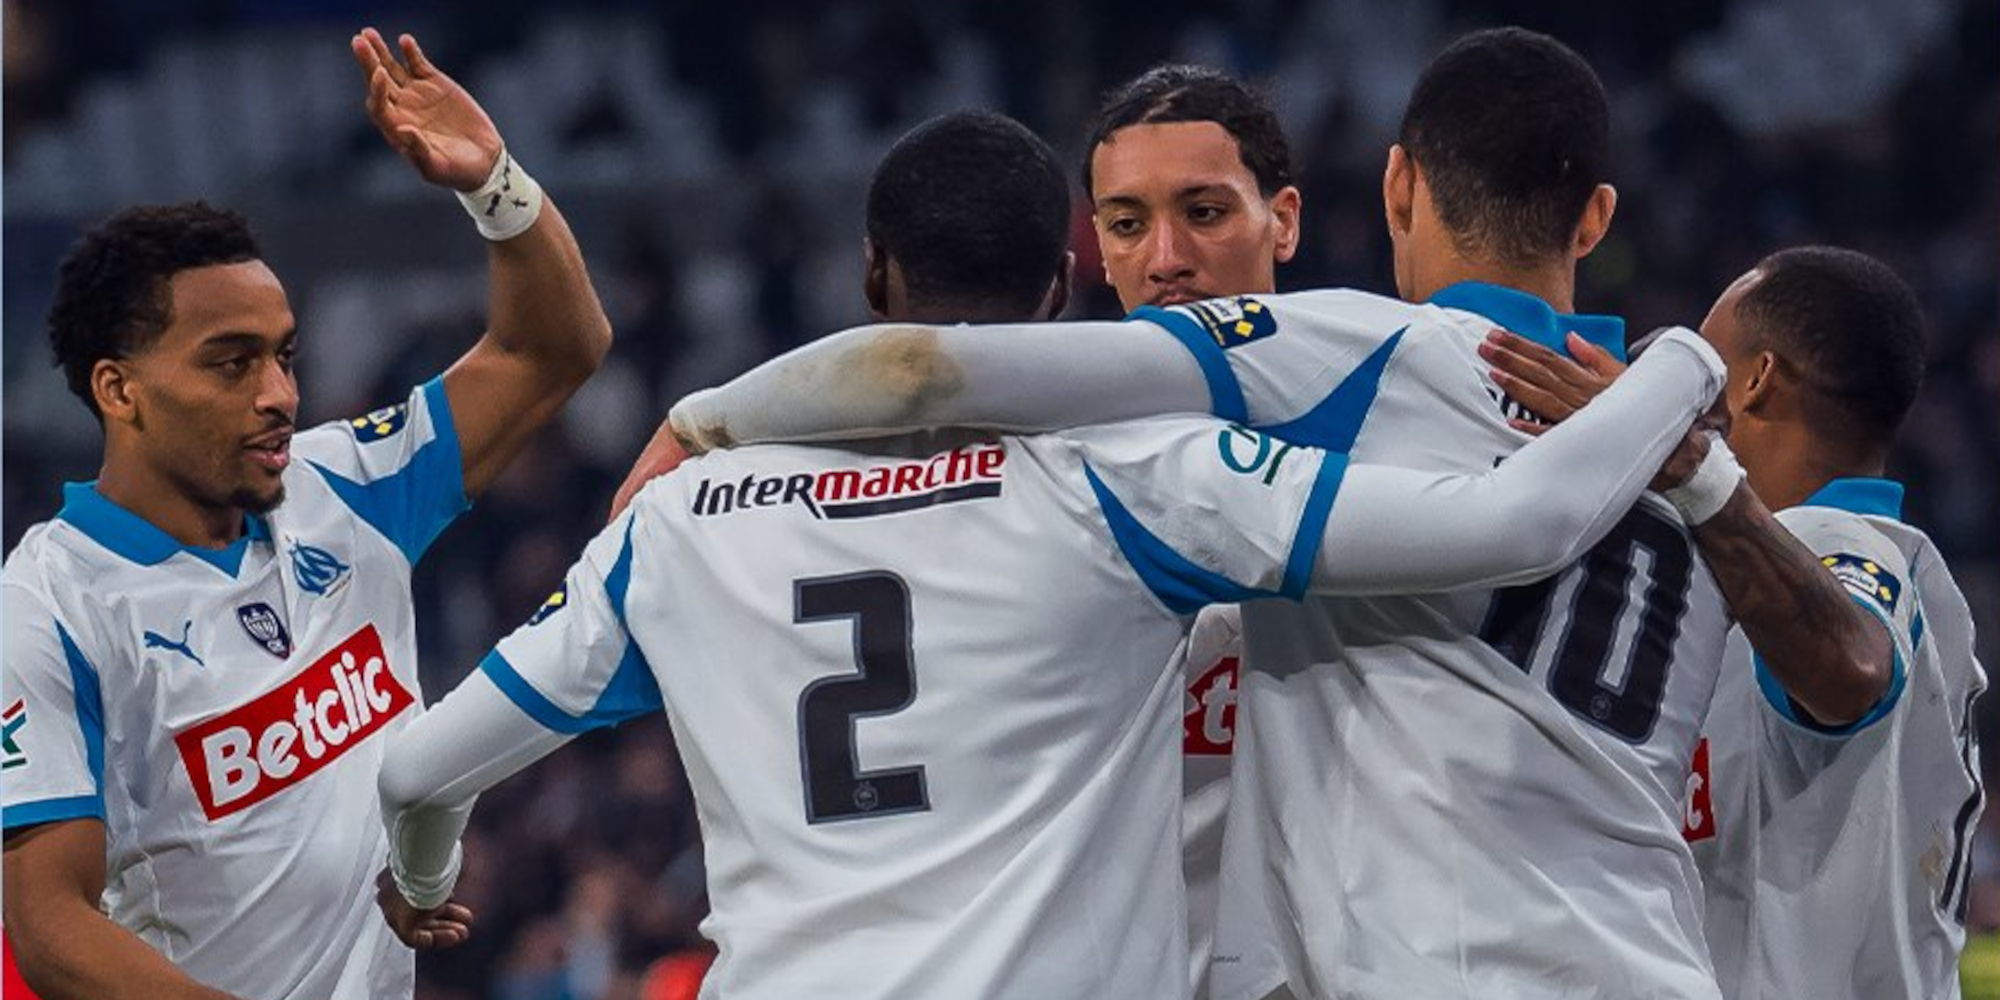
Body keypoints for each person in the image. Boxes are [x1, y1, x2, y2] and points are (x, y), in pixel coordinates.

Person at [640, 28, 1889, 1000]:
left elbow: (927, 367)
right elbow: (1841, 676)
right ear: (1089, 252)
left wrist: (706, 426)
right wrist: (1686, 389)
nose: (1165, 258)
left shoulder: (1347, 374)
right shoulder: (1656, 443)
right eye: (1125, 223)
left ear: (1317, 210)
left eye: (1202, 212)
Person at [379, 108, 1732, 1000]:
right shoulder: (1134, 483)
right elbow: (1510, 526)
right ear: (1063, 290)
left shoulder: (677, 523)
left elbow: (419, 770)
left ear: (868, 278)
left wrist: (425, 882)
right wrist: (1684, 360)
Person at [1, 28, 612, 1000]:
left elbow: (552, 348)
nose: (280, 393)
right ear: (119, 390)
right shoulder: (49, 605)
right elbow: (50, 927)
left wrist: (495, 184)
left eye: (284, 354)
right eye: (231, 363)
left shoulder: (344, 484)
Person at [1484, 246, 1986, 1000]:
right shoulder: (1742, 573)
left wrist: (1687, 466)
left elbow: (1851, 670)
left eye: (1703, 363)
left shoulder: (1841, 539)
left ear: (1756, 380)